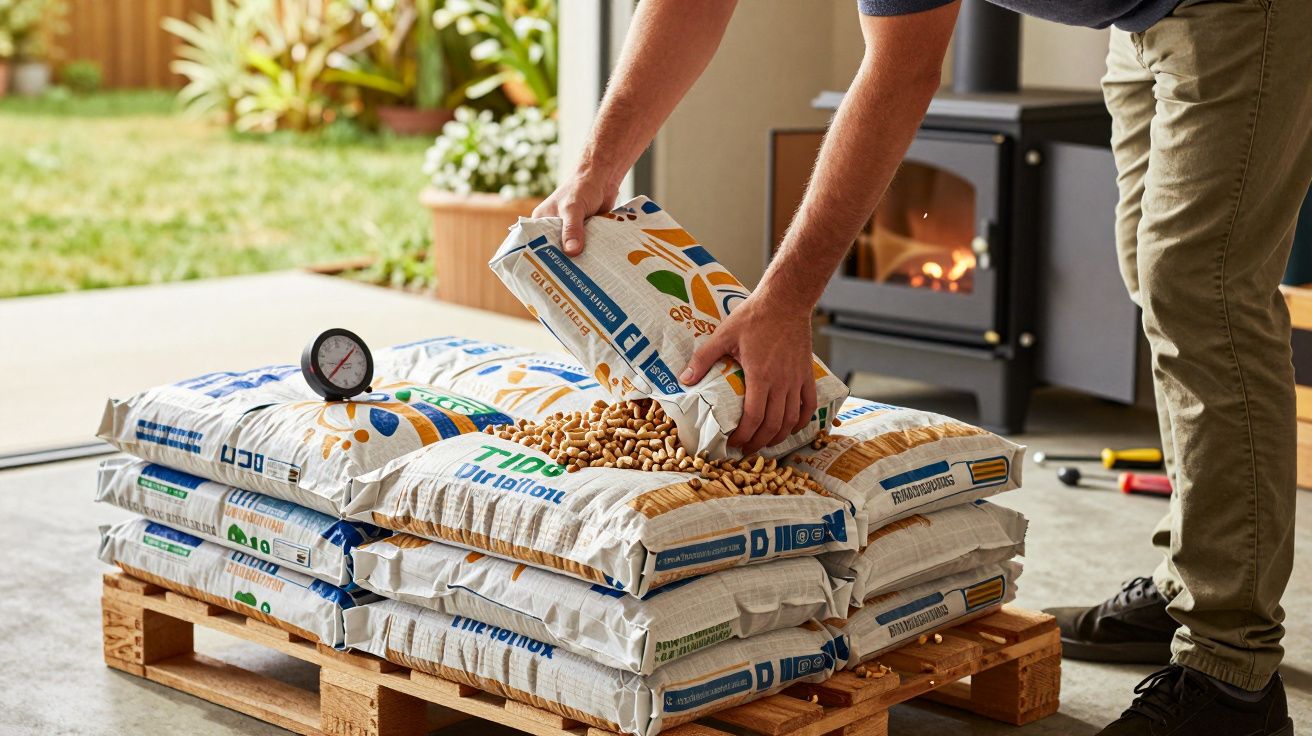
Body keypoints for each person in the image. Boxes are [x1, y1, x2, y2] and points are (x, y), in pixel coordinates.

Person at [534, 0, 1310, 733]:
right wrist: (598, 165)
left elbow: (902, 70)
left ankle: (1228, 671)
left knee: (1200, 296)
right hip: (1139, 21)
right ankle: (1195, 580)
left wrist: (786, 300)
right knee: (1161, 285)